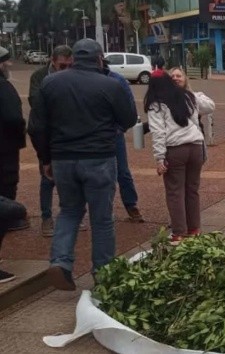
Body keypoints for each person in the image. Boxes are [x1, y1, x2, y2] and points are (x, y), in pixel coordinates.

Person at [28, 39, 137, 290]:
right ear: (99, 59)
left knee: (69, 211)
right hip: (99, 157)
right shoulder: (110, 85)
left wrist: (46, 158)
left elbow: (36, 126)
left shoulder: (50, 83)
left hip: (63, 158)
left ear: (74, 58)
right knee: (102, 218)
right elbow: (129, 118)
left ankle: (60, 261)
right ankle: (103, 272)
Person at [145, 73, 215, 245]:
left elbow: (158, 132)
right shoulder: (187, 97)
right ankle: (194, 229)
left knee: (175, 191)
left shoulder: (156, 105)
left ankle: (179, 232)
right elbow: (207, 107)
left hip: (175, 149)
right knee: (192, 189)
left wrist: (159, 158)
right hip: (196, 147)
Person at [28, 45, 79, 236]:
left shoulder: (74, 76)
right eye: (62, 66)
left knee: (72, 176)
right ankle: (46, 217)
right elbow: (35, 101)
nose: (66, 70)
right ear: (52, 61)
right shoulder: (39, 76)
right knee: (47, 176)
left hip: (66, 132)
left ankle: (72, 214)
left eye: (69, 66)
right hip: (44, 133)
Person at [101, 59, 145, 223]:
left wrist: (120, 128)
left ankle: (131, 204)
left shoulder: (117, 80)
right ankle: (103, 209)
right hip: (93, 135)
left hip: (114, 133)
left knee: (122, 171)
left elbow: (129, 107)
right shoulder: (83, 79)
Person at [0, 47, 29, 237]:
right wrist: (20, 133)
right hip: (5, 152)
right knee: (5, 200)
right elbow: (13, 118)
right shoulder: (4, 87)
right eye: (5, 62)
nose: (9, 65)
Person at [170, 66, 212, 136]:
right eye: (172, 76)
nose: (175, 78)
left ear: (185, 79)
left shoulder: (195, 96)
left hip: (193, 139)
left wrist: (189, 97)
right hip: (173, 139)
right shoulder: (164, 99)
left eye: (178, 76)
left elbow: (210, 106)